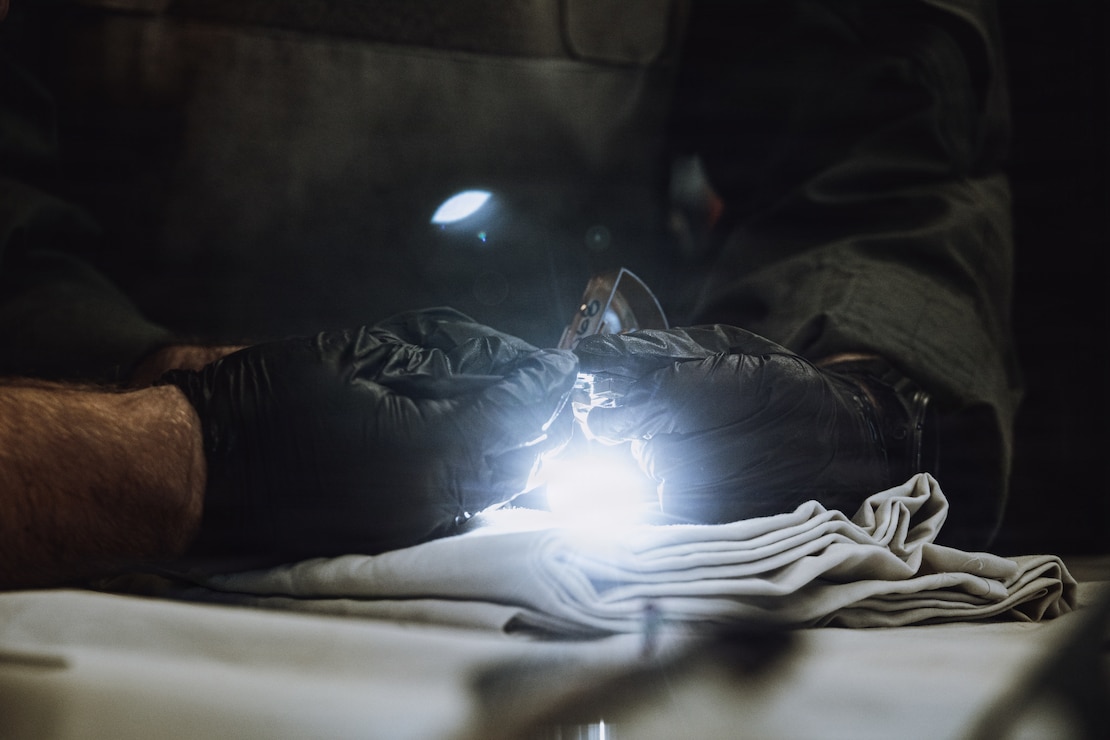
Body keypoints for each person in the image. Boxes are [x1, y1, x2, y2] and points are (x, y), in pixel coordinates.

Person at [0, 0, 1019, 588]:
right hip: (79, 568)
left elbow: (885, 160)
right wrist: (167, 426)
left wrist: (849, 394)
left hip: (576, 593)